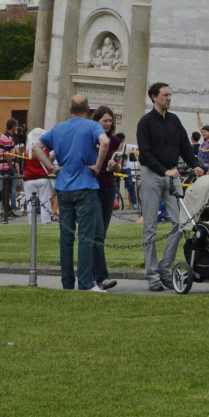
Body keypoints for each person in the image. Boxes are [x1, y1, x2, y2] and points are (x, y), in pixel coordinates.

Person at [36, 94, 114, 292]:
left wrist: (51, 168)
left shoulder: (59, 128)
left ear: (70, 110)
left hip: (63, 186)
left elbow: (36, 146)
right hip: (85, 185)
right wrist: (97, 166)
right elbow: (104, 142)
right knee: (86, 236)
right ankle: (86, 283)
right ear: (88, 110)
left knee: (66, 236)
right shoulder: (91, 126)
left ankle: (67, 283)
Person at [136, 80, 191, 291]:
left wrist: (196, 165)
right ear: (154, 97)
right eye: (165, 95)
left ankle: (164, 268)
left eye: (170, 94)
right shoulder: (145, 122)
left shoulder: (174, 120)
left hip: (172, 173)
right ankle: (152, 275)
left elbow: (185, 146)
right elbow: (145, 154)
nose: (169, 98)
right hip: (152, 174)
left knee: (180, 222)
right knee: (150, 226)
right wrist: (164, 170)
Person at [91, 107, 124, 285]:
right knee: (97, 233)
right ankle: (102, 277)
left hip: (108, 186)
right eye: (104, 120)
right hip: (93, 187)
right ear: (97, 121)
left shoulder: (115, 141)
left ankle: (90, 273)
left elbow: (119, 166)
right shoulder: (90, 139)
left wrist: (115, 167)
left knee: (101, 234)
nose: (108, 124)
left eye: (110, 121)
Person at [23, 129, 54, 225]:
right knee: (45, 201)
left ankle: (31, 221)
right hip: (42, 177)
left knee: (29, 202)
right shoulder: (45, 149)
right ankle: (46, 220)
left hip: (29, 178)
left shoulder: (26, 151)